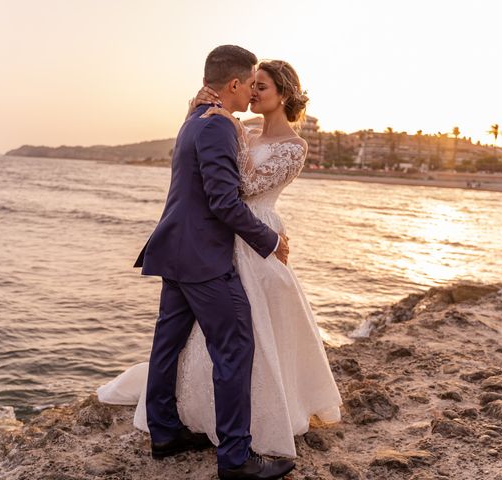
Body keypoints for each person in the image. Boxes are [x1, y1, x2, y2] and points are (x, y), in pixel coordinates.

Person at [98, 49, 342, 478]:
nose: (252, 90)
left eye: (261, 85)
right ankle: (235, 459)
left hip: (181, 246)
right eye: (251, 82)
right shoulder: (219, 124)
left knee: (169, 342)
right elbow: (226, 199)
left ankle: (166, 432)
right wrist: (270, 239)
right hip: (207, 251)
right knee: (234, 347)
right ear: (235, 84)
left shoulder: (200, 118)